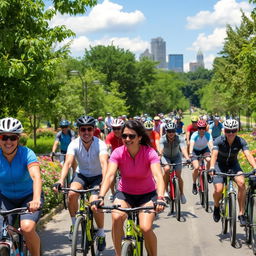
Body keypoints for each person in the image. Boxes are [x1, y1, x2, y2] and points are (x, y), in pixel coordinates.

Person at [92, 120, 165, 256]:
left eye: (131, 136)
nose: (127, 139)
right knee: (116, 217)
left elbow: (158, 176)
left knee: (145, 227)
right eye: (124, 136)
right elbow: (109, 175)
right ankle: (119, 253)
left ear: (139, 137)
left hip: (147, 195)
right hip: (125, 194)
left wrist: (160, 198)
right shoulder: (117, 153)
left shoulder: (150, 153)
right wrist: (100, 196)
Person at [54, 115, 108, 251]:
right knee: (72, 194)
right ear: (78, 131)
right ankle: (74, 224)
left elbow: (104, 164)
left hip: (97, 176)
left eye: (89, 129)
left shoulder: (100, 144)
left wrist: (104, 181)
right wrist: (60, 180)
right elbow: (67, 163)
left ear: (94, 130)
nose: (86, 132)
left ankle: (101, 233)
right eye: (83, 129)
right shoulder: (74, 144)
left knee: (95, 204)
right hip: (81, 175)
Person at [0, 117, 43, 256]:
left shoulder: (27, 154)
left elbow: (36, 176)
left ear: (18, 139)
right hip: (5, 198)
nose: (8, 142)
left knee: (27, 228)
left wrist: (36, 199)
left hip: (29, 197)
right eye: (4, 137)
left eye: (12, 138)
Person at [209, 119, 256, 226]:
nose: (230, 133)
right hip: (219, 165)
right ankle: (216, 207)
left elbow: (248, 155)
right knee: (219, 189)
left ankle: (241, 213)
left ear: (237, 130)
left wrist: (255, 167)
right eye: (228, 130)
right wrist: (212, 167)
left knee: (241, 183)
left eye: (233, 130)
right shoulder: (218, 141)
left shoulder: (241, 141)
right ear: (224, 130)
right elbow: (214, 155)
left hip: (233, 165)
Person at [159, 122, 190, 204]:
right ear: (166, 132)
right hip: (166, 157)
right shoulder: (162, 139)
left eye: (173, 131)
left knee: (178, 175)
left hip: (177, 157)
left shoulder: (179, 138)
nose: (171, 133)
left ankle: (182, 194)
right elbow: (160, 151)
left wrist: (187, 158)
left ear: (175, 131)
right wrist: (158, 159)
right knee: (166, 169)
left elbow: (183, 149)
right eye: (169, 131)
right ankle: (165, 191)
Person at [190, 120, 213, 195]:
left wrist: (213, 152)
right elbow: (191, 144)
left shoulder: (208, 135)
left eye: (203, 128)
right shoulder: (194, 135)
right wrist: (190, 153)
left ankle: (208, 173)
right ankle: (194, 184)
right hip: (195, 151)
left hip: (204, 149)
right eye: (200, 128)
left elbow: (211, 144)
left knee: (209, 160)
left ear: (205, 128)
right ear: (197, 128)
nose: (201, 130)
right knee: (196, 167)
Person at [105, 118, 124, 201]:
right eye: (114, 128)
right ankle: (112, 193)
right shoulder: (110, 136)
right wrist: (107, 151)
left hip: (124, 157)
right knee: (111, 175)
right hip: (114, 157)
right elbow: (107, 145)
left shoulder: (126, 136)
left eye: (118, 128)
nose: (116, 130)